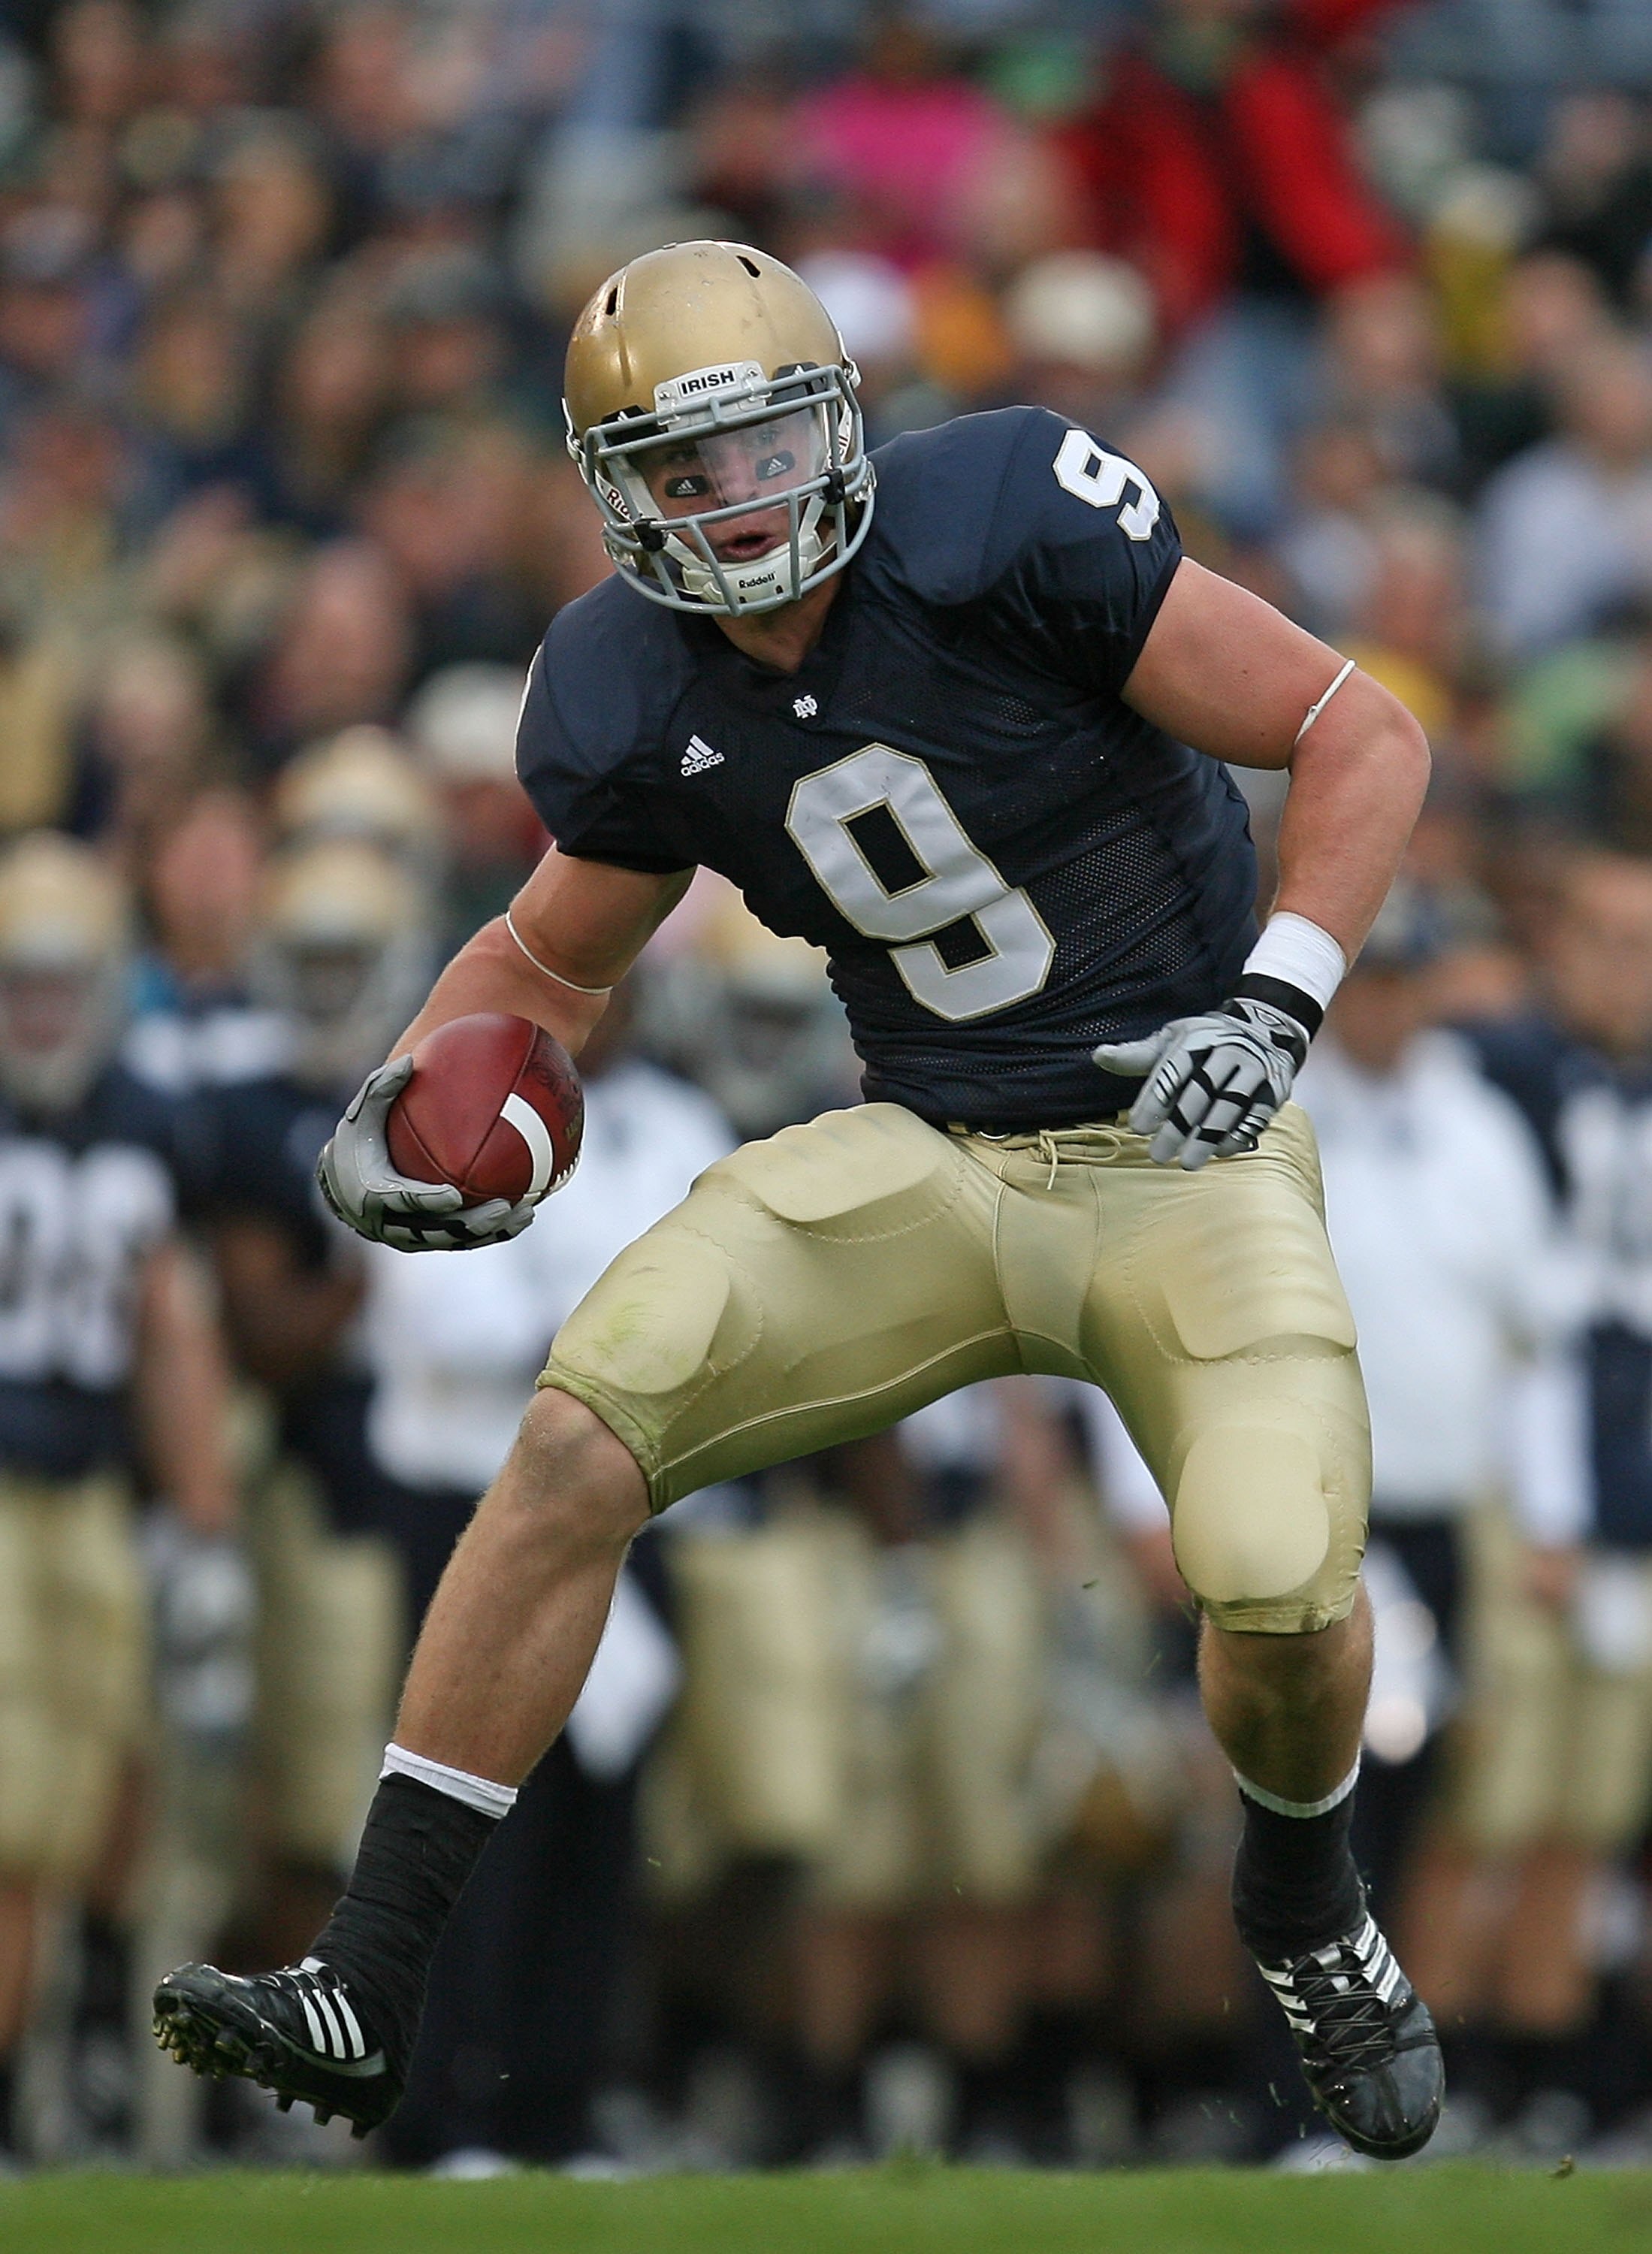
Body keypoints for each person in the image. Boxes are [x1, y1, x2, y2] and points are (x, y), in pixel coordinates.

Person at [153, 240, 1437, 2159]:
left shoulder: (1006, 515)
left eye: (760, 447)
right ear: (613, 500)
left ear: (839, 424)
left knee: (1270, 1563)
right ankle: (369, 1973)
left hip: (1185, 1141)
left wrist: (1276, 997)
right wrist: (406, 1089)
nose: (734, 500)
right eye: (681, 473)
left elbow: (1358, 728)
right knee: (590, 1416)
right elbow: (545, 956)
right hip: (927, 1149)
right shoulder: (614, 681)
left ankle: (1300, 1894)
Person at [0, 832, 238, 2162]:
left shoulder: (150, 1115)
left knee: (101, 1784)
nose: (37, 1013)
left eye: (57, 984)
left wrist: (202, 1525)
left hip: (90, 1496)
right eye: (14, 984)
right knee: (10, 1810)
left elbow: (171, 1325)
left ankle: (82, 2049)